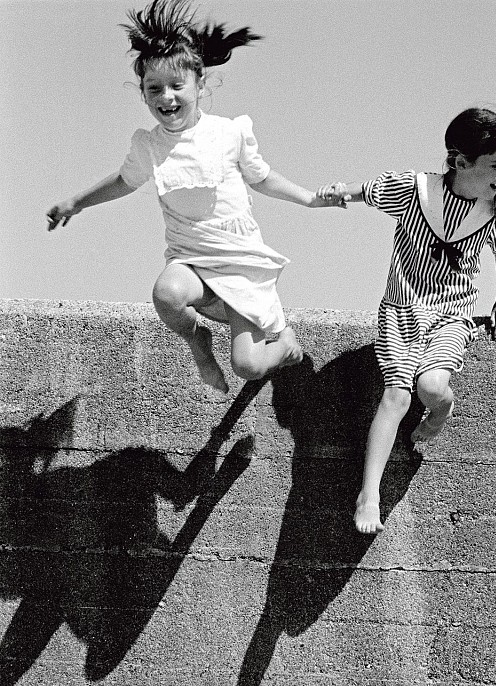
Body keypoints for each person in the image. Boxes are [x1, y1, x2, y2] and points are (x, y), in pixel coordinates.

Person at [47, 0, 335, 393]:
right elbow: (123, 181)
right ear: (143, 95)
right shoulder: (148, 145)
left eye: (176, 86)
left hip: (237, 259)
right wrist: (76, 202)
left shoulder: (229, 133)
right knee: (166, 293)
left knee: (248, 367)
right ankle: (199, 343)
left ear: (200, 86)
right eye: (154, 89)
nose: (166, 97)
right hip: (190, 258)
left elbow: (263, 178)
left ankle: (284, 345)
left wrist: (309, 198)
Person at [317, 107, 496, 534]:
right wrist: (339, 192)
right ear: (461, 161)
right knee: (397, 394)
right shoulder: (415, 191)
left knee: (431, 388)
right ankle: (369, 493)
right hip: (402, 309)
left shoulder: (494, 213)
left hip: (452, 314)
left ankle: (443, 407)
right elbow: (367, 191)